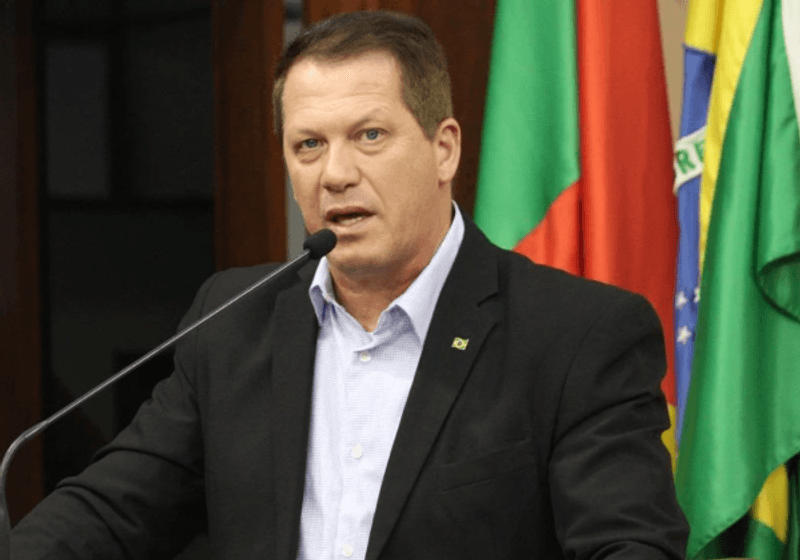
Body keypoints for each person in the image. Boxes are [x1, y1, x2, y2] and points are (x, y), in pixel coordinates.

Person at [12, 10, 689, 560]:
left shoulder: (575, 336)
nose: (334, 174)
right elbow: (113, 512)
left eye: (368, 135)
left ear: (444, 149)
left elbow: (629, 547)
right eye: (308, 145)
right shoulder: (234, 320)